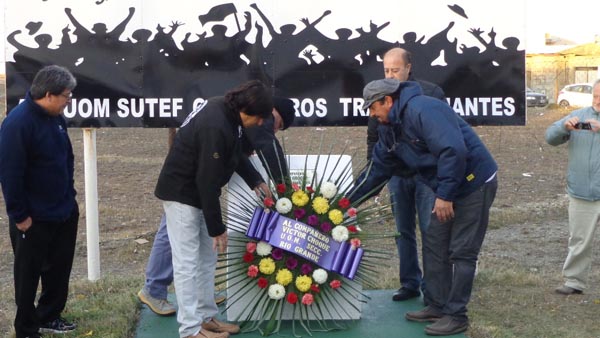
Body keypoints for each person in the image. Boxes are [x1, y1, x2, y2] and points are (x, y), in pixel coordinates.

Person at [349, 78, 497, 336]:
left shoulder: (423, 109)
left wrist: (445, 194)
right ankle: (437, 305)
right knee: (434, 243)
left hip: (474, 183)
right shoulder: (388, 128)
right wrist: (344, 203)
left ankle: (457, 316)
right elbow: (377, 170)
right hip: (446, 186)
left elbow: (453, 150)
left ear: (388, 100)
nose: (371, 114)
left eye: (373, 107)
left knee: (462, 251)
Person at [138, 96, 296, 316]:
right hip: (186, 185)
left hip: (194, 184)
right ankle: (170, 304)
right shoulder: (249, 115)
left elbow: (238, 152)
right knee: (184, 250)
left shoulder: (236, 113)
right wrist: (287, 192)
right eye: (276, 124)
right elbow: (267, 146)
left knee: (199, 248)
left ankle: (202, 302)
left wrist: (256, 180)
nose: (271, 129)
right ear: (271, 112)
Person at [154, 80, 274, 338]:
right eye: (261, 118)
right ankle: (189, 329)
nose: (262, 123)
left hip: (197, 191)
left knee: (208, 257)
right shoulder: (215, 124)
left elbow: (235, 153)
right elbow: (206, 181)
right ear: (248, 111)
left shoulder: (227, 112)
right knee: (187, 262)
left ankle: (206, 317)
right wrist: (217, 228)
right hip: (182, 194)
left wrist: (256, 180)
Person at [0, 65, 79, 338]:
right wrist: (20, 216)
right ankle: (26, 328)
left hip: (63, 210)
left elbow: (64, 159)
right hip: (33, 217)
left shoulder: (55, 117)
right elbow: (10, 174)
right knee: (28, 274)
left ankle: (49, 315)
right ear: (48, 94)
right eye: (66, 96)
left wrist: (70, 199)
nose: (69, 101)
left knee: (59, 269)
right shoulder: (17, 124)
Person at [367, 47, 445, 302]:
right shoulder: (380, 95)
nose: (390, 75)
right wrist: (373, 176)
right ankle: (409, 283)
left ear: (409, 68)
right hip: (396, 176)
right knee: (403, 232)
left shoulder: (430, 93)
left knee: (429, 231)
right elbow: (373, 137)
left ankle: (433, 289)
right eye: (386, 70)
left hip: (425, 177)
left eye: (395, 70)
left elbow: (442, 137)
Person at [546, 79, 600, 296]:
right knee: (579, 240)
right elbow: (550, 137)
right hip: (582, 191)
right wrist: (563, 127)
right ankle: (574, 281)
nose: (598, 101)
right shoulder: (580, 115)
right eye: (596, 96)